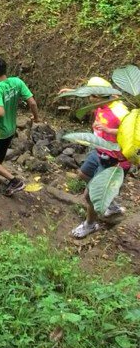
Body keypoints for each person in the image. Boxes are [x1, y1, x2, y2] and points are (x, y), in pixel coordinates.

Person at [71, 76, 130, 239]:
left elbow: (133, 133)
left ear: (102, 96)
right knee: (83, 174)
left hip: (115, 160)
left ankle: (90, 225)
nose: (89, 99)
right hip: (99, 151)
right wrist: (71, 92)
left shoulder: (120, 111)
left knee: (89, 196)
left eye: (92, 95)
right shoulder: (100, 103)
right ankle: (111, 203)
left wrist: (109, 130)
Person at [0, 56, 39, 195]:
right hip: (11, 128)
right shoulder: (17, 82)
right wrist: (36, 117)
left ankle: (14, 181)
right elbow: (33, 103)